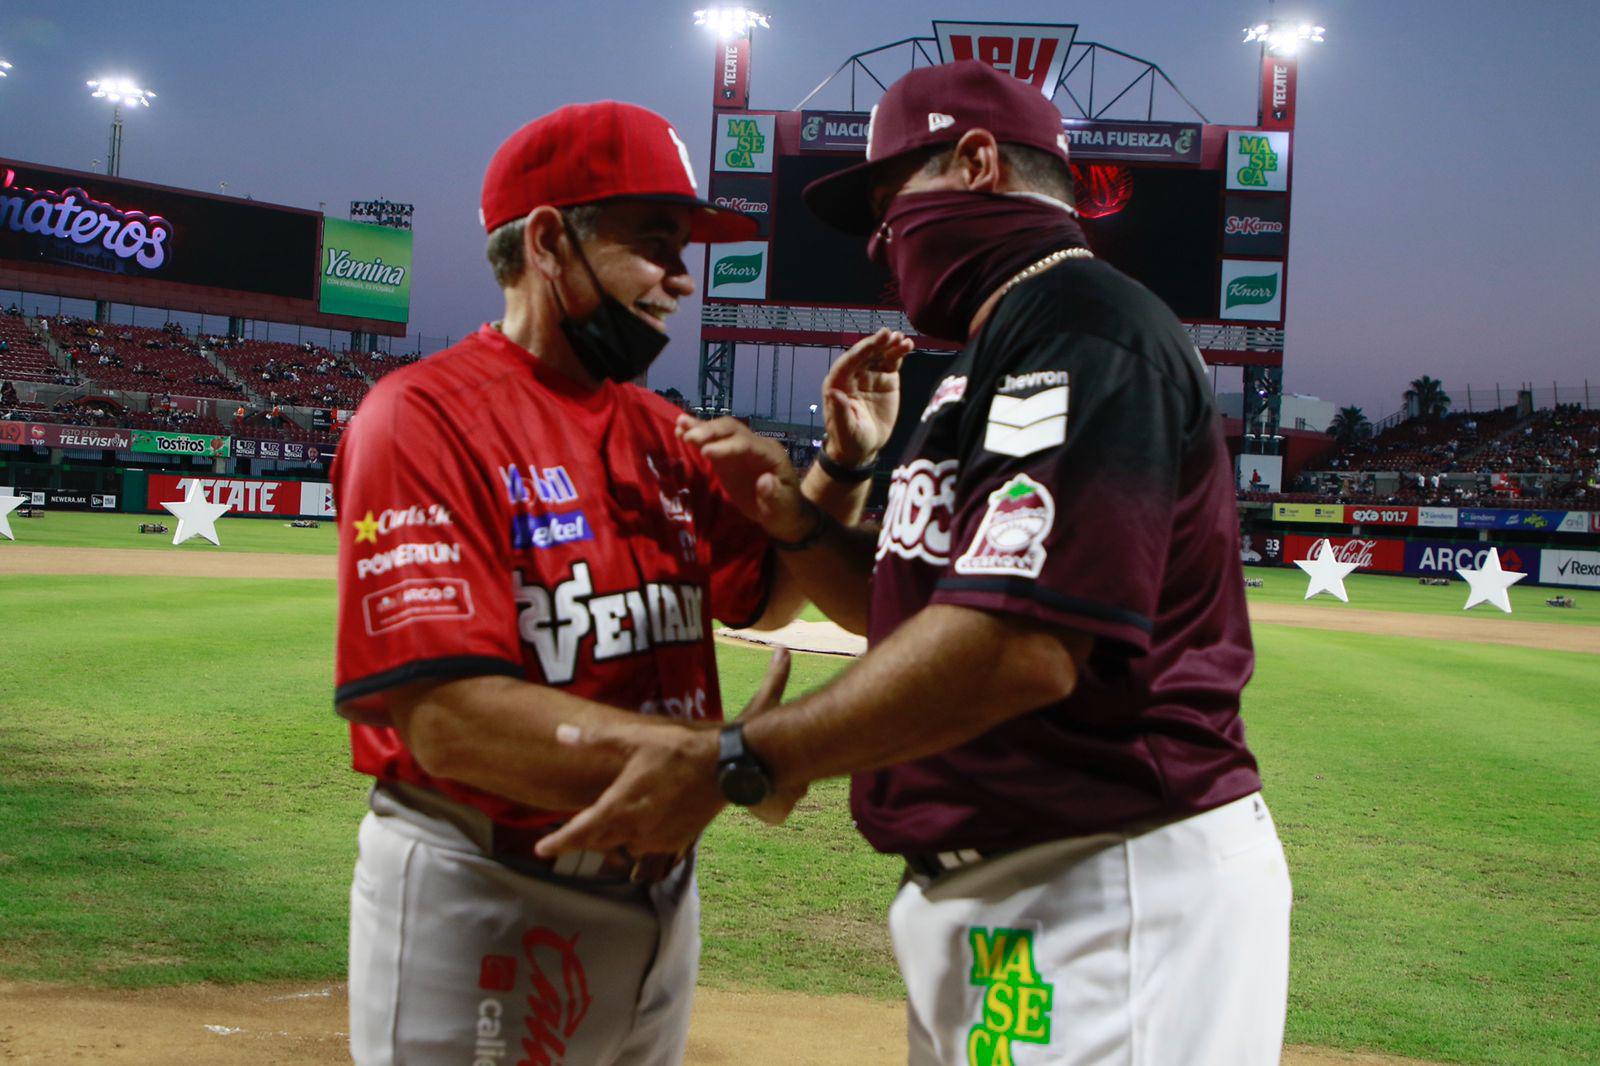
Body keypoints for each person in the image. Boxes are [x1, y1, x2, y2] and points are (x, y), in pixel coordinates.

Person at [538, 62, 1291, 1065]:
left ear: (976, 161)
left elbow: (1015, 648)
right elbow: (913, 607)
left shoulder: (1086, 329)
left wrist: (747, 757)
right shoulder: (986, 356)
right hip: (999, 888)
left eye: (890, 206)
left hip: (1106, 886)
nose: (880, 246)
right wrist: (802, 516)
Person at [330, 100, 900, 1065]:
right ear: (550, 240)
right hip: (491, 889)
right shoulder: (424, 417)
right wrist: (727, 759)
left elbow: (760, 599)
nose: (683, 278)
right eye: (654, 243)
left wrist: (839, 472)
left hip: (659, 884)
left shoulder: (655, 428)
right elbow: (447, 720)